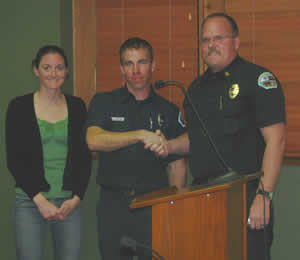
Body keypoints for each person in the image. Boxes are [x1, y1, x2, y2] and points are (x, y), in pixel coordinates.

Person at [149, 13, 286, 260]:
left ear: (236, 42)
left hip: (245, 194)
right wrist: (169, 146)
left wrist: (264, 196)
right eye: (205, 40)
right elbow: (196, 139)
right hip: (203, 196)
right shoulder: (194, 89)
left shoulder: (257, 79)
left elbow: (276, 140)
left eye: (218, 38)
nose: (210, 45)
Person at [86, 37, 186, 260]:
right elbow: (93, 140)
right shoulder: (104, 102)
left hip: (153, 206)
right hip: (114, 207)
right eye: (129, 64)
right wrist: (139, 135)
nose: (136, 70)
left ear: (153, 65)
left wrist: (173, 206)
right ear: (121, 68)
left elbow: (178, 165)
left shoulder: (168, 110)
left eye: (142, 62)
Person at [5, 45, 92, 260]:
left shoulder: (78, 106)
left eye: (59, 68)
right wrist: (40, 200)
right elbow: (14, 160)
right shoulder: (18, 106)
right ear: (36, 70)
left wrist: (77, 197)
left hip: (68, 204)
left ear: (66, 71)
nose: (53, 73)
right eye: (47, 67)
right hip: (30, 202)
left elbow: (84, 157)